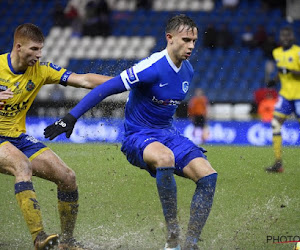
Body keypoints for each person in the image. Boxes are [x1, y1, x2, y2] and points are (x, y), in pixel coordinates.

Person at [44, 14, 218, 250]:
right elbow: (107, 87)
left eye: (194, 41)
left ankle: (191, 244)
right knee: (165, 159)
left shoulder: (187, 70)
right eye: (186, 39)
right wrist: (70, 117)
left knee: (208, 176)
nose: (191, 46)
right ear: (169, 38)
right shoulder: (151, 67)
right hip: (139, 136)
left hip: (168, 133)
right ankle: (173, 237)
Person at [0, 23, 111, 250]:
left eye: (41, 49)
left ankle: (67, 242)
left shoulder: (41, 70)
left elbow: (84, 80)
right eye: (33, 49)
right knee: (22, 166)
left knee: (68, 177)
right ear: (18, 47)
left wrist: (127, 82)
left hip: (17, 138)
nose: (38, 55)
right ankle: (39, 237)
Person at [265, 26, 300, 173]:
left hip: (298, 96)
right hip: (285, 95)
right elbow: (280, 71)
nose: (285, 38)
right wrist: (274, 80)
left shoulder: (298, 51)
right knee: (275, 124)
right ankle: (278, 163)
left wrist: (291, 72)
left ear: (292, 37)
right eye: (283, 36)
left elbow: (291, 71)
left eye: (288, 36)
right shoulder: (276, 52)